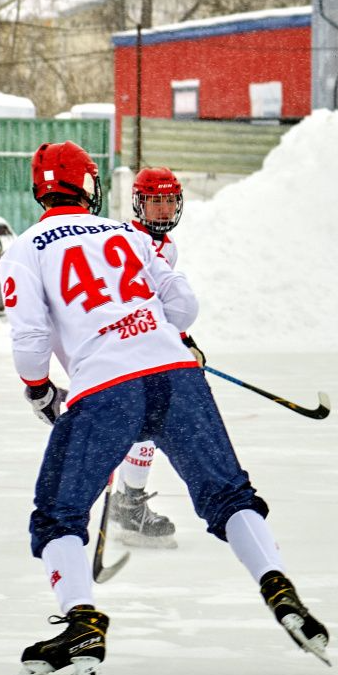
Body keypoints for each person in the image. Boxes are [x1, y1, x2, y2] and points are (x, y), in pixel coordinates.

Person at [0, 141, 329, 675]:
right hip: (177, 375)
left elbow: (31, 339)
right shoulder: (126, 234)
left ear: (40, 190)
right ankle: (278, 585)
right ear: (90, 187)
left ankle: (81, 622)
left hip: (105, 387)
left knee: (58, 514)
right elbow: (182, 308)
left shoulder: (27, 247)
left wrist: (39, 390)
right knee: (229, 495)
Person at [108, 166, 192, 548]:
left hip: (146, 346)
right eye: (154, 201)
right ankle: (116, 503)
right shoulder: (124, 240)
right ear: (139, 204)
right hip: (120, 346)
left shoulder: (168, 247)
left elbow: (163, 301)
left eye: (169, 200)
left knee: (146, 426)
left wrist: (184, 339)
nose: (162, 209)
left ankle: (128, 502)